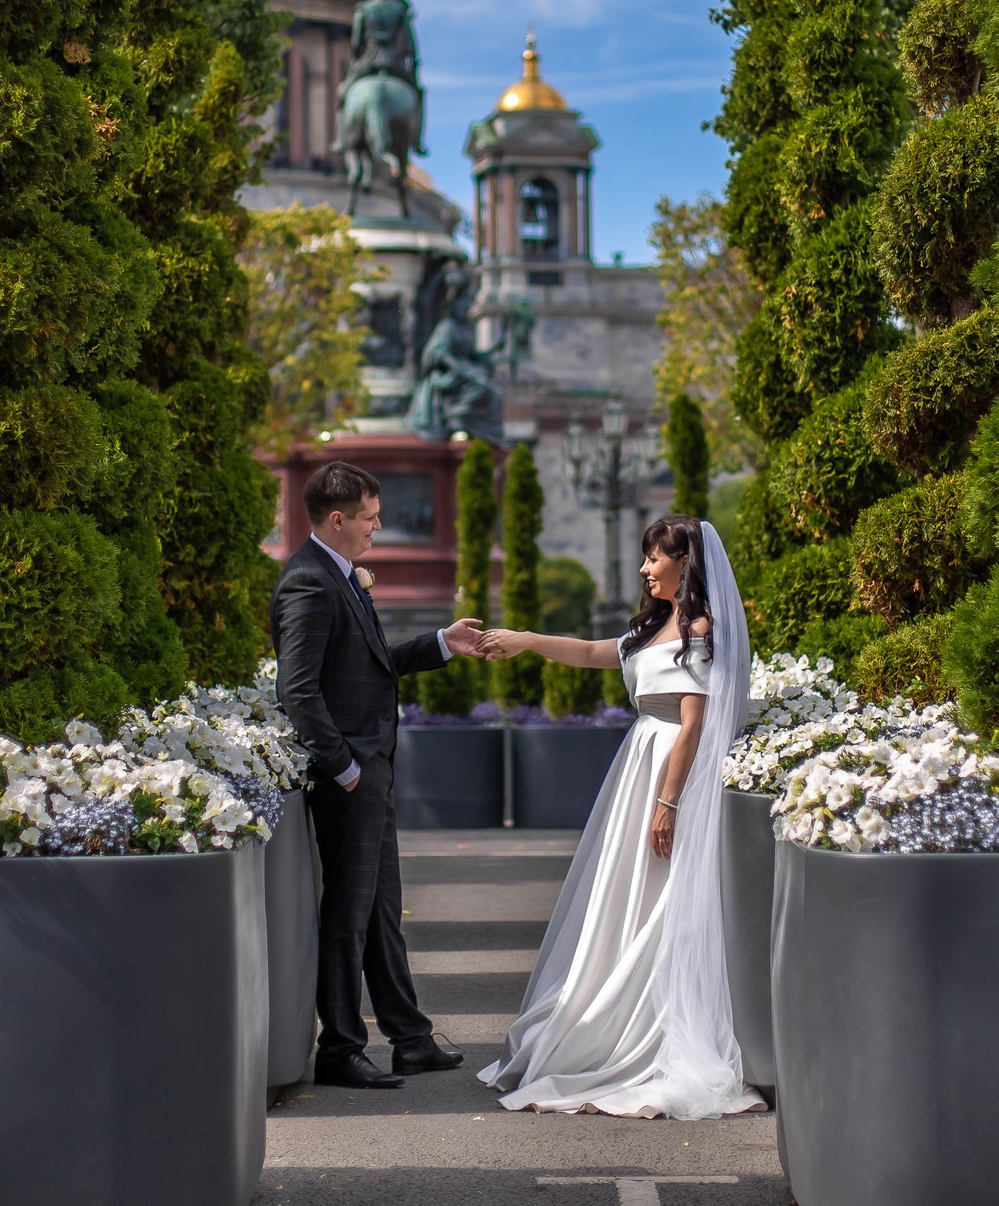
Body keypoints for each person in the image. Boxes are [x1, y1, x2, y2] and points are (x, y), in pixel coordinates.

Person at [472, 515, 761, 1118]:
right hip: (640, 762)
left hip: (671, 772)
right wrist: (525, 638)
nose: (645, 568)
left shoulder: (701, 631)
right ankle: (606, 1012)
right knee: (628, 892)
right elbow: (589, 651)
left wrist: (668, 802)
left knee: (664, 894)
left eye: (655, 557)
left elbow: (694, 724)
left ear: (686, 564)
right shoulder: (650, 628)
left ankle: (654, 1025)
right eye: (646, 557)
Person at [274, 460, 492, 1089]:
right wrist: (341, 767)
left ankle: (410, 1037)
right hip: (350, 774)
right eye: (370, 517)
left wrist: (442, 643)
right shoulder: (309, 583)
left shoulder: (340, 576)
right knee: (348, 913)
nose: (379, 526)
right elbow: (299, 689)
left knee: (380, 909)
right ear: (337, 519)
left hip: (371, 769)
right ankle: (341, 1048)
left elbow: (373, 665)